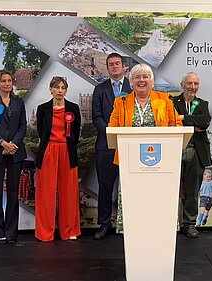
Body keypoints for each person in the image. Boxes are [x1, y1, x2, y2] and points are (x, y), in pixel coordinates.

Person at [108, 63, 182, 231]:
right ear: (131, 82)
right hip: (130, 163)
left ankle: (161, 228)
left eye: (145, 76)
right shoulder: (121, 102)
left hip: (161, 163)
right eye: (137, 77)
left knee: (157, 202)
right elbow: (112, 128)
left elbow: (176, 125)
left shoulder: (165, 100)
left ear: (152, 81)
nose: (141, 80)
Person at [34, 76, 81, 242]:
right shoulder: (42, 109)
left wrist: (65, 145)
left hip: (67, 152)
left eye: (63, 88)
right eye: (57, 87)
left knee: (69, 192)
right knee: (46, 193)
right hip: (48, 151)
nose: (60, 90)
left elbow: (76, 133)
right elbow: (41, 132)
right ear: (51, 89)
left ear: (66, 90)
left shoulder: (74, 108)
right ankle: (45, 232)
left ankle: (69, 231)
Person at [0, 70, 27, 244]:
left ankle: (11, 232)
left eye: (9, 81)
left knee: (14, 193)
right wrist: (3, 143)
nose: (7, 84)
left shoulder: (19, 102)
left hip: (16, 152)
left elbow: (23, 126)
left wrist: (12, 144)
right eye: (4, 81)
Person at [92, 53, 131, 240]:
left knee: (131, 186)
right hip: (105, 145)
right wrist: (110, 132)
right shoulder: (100, 90)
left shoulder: (134, 87)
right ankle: (104, 223)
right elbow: (96, 117)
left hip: (131, 143)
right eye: (111, 64)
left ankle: (130, 223)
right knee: (105, 186)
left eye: (117, 64)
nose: (114, 67)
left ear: (124, 67)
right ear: (107, 68)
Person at [173, 72, 211, 238]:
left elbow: (205, 122)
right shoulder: (171, 102)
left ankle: (189, 224)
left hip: (196, 151)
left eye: (195, 84)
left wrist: (182, 118)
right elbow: (169, 121)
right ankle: (169, 222)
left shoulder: (202, 103)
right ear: (182, 85)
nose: (193, 87)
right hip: (174, 150)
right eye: (189, 83)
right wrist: (192, 123)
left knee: (192, 191)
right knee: (170, 189)